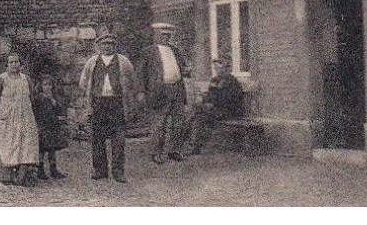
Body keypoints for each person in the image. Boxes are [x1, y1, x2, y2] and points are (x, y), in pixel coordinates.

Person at [77, 30, 139, 182]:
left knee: (118, 139)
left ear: (115, 46)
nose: (107, 47)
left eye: (110, 44)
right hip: (98, 103)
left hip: (117, 103)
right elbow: (83, 82)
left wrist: (129, 98)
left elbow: (132, 80)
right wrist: (90, 97)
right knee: (97, 138)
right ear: (99, 46)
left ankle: (118, 171)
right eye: (104, 44)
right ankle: (100, 170)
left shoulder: (123, 61)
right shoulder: (92, 62)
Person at [0, 51, 41, 185]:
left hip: (25, 115)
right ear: (6, 65)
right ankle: (11, 172)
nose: (14, 64)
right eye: (11, 62)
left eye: (16, 62)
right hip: (8, 115)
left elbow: (32, 97)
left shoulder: (26, 79)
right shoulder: (1, 79)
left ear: (20, 64)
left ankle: (23, 172)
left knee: (26, 141)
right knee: (10, 142)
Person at [143, 22, 190, 163]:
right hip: (159, 91)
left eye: (168, 35)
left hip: (177, 90)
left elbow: (183, 68)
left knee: (179, 123)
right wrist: (142, 92)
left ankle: (175, 150)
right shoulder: (149, 51)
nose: (166, 37)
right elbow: (141, 73)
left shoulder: (175, 50)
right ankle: (156, 152)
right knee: (159, 124)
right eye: (163, 35)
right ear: (156, 35)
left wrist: (186, 71)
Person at [178, 56, 245, 154]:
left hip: (229, 112)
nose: (218, 71)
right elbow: (210, 94)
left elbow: (231, 100)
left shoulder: (233, 82)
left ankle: (191, 145)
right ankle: (187, 144)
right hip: (216, 110)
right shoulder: (215, 80)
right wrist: (205, 100)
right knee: (197, 115)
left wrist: (212, 103)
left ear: (227, 69)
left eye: (220, 68)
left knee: (198, 116)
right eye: (216, 68)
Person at [33, 73, 69, 180]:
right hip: (42, 125)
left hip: (52, 125)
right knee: (42, 148)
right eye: (45, 85)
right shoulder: (38, 98)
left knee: (52, 148)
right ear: (41, 86)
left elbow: (59, 110)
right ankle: (40, 169)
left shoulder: (54, 98)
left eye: (49, 85)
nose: (47, 87)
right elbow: (35, 111)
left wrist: (53, 102)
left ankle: (53, 169)